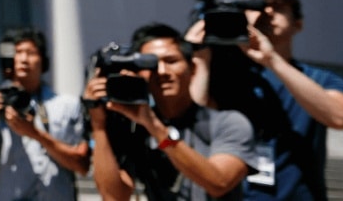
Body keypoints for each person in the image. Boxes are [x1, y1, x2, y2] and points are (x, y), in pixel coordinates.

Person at [188, 0, 343, 200]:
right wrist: (200, 60)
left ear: (298, 24)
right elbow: (191, 125)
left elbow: (341, 117)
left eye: (278, 7)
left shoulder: (319, 79)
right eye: (256, 6)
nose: (266, 12)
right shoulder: (224, 74)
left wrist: (272, 60)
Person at [86, 22, 256, 201]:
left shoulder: (229, 123)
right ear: (138, 74)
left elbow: (218, 183)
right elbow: (114, 196)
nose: (162, 71)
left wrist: (156, 129)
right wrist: (99, 127)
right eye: (150, 64)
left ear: (193, 68)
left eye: (171, 61)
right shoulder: (136, 129)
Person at [0, 27, 89, 201]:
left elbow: (82, 165)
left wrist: (35, 134)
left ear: (44, 61)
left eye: (31, 52)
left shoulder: (66, 105)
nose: (24, 59)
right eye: (18, 52)